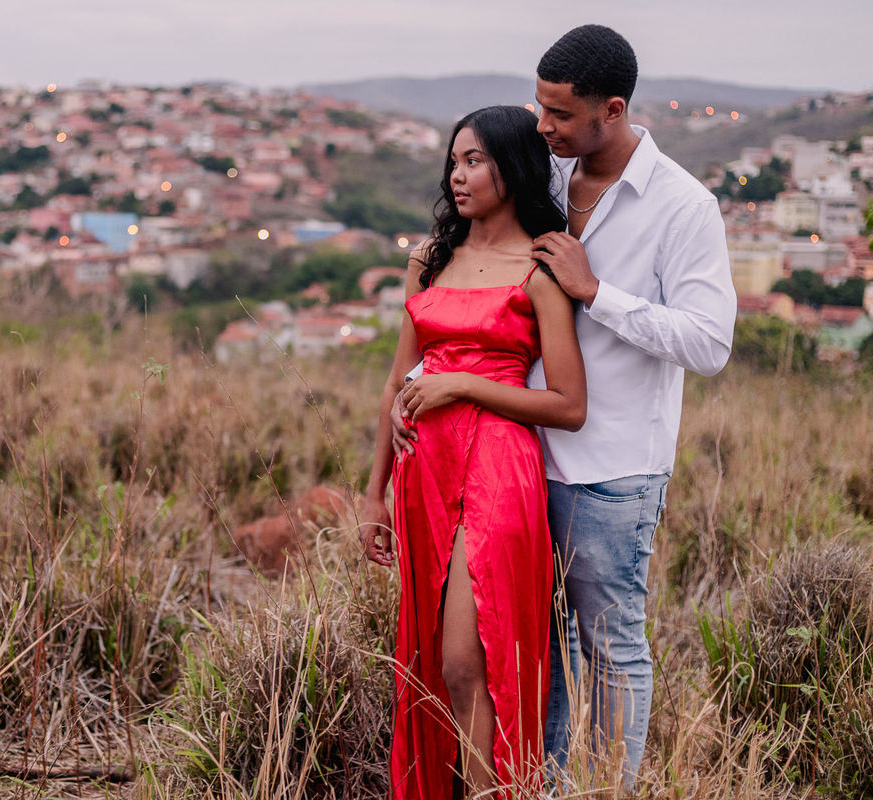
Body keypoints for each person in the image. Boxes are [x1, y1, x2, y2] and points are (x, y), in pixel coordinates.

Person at [393, 25, 738, 789]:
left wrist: (596, 293)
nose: (543, 126)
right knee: (523, 649)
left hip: (608, 468)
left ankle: (603, 788)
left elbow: (710, 344)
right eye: (539, 108)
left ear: (611, 111)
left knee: (610, 647)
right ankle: (539, 785)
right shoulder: (544, 181)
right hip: (505, 463)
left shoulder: (682, 206)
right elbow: (479, 299)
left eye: (560, 114)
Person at [359, 105, 587, 799]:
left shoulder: (541, 268)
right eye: (455, 161)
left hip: (498, 465)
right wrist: (372, 496)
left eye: (476, 161)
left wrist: (464, 385)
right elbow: (398, 380)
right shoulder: (429, 260)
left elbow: (568, 406)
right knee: (431, 661)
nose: (458, 175)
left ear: (512, 168)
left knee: (466, 658)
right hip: (422, 466)